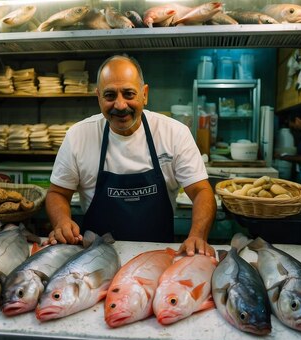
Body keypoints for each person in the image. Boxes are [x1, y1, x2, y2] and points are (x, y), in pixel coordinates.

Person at [44, 54, 216, 256]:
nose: (120, 105)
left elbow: (201, 191)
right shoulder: (79, 135)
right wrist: (62, 221)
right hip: (94, 258)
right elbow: (57, 193)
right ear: (98, 97)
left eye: (128, 94)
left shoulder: (174, 133)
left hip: (158, 256)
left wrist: (197, 235)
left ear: (144, 94)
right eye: (110, 95)